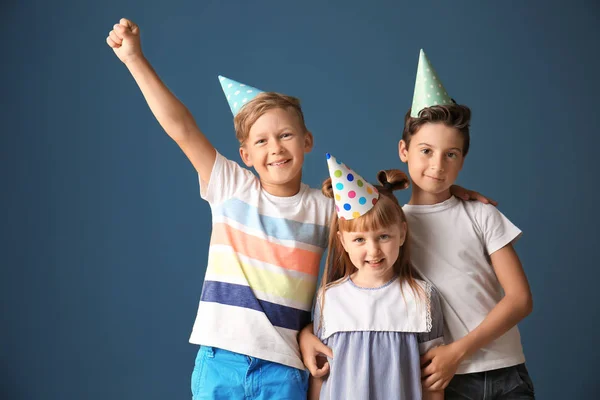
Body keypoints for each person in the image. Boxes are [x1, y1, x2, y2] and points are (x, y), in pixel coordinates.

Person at [106, 18, 332, 399]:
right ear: (244, 155)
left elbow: (380, 229)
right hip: (220, 361)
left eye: (286, 135)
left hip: (286, 367)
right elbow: (181, 127)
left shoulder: (324, 208)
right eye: (261, 141)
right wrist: (134, 59)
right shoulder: (231, 185)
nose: (274, 147)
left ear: (307, 140)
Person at [399, 49, 535, 399]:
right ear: (404, 151)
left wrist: (458, 352)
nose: (437, 165)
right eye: (426, 150)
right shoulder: (393, 227)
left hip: (506, 371)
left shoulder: (481, 214)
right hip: (445, 381)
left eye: (451, 154)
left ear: (463, 159)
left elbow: (520, 299)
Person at [309, 153, 445, 400]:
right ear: (343, 242)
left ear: (401, 234)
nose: (373, 251)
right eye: (359, 239)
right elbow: (319, 374)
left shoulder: (422, 297)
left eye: (383, 236)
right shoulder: (329, 298)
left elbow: (433, 381)